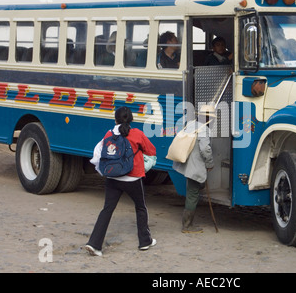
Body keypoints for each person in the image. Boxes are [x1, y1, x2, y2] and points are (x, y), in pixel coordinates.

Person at [85, 106, 157, 256]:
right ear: (131, 119)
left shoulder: (108, 134)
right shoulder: (137, 134)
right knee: (140, 208)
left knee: (107, 209)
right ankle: (144, 242)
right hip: (133, 178)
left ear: (115, 119)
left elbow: (98, 155)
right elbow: (151, 151)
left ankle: (94, 244)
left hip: (113, 178)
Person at [172, 104, 216, 233]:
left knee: (193, 190)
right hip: (195, 166)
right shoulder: (205, 129)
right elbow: (205, 149)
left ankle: (187, 223)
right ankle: (187, 225)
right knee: (192, 194)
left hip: (186, 163)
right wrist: (210, 164)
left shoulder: (191, 124)